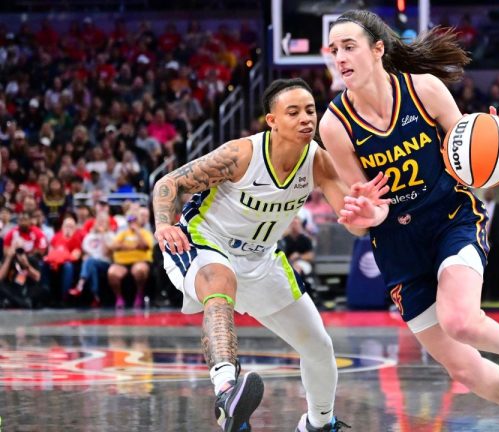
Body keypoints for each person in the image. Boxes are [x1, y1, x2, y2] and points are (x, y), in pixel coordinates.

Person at [320, 10, 499, 431]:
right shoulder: (334, 124)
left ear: (378, 49)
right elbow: (368, 210)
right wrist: (363, 214)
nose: (340, 57)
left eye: (349, 46)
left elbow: (467, 155)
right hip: (398, 247)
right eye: (334, 50)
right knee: (465, 370)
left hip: (449, 219)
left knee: (460, 319)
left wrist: (492, 139)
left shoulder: (424, 89)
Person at [152, 78, 386, 432]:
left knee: (319, 347)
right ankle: (226, 390)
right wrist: (163, 224)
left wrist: (364, 216)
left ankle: (319, 424)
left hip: (261, 259)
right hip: (203, 241)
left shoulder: (319, 161)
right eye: (293, 112)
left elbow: (352, 223)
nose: (305, 118)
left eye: (310, 110)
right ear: (272, 120)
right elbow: (169, 183)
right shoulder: (241, 154)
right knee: (220, 282)